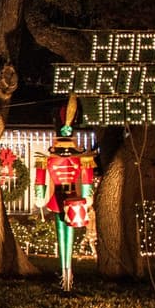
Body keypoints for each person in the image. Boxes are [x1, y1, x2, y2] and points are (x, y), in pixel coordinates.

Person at [33, 101, 94, 292]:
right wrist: (40, 196)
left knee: (67, 235)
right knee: (63, 235)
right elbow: (40, 181)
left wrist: (86, 198)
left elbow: (86, 182)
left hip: (71, 201)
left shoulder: (81, 158)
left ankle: (67, 271)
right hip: (64, 199)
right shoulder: (50, 159)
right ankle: (65, 270)